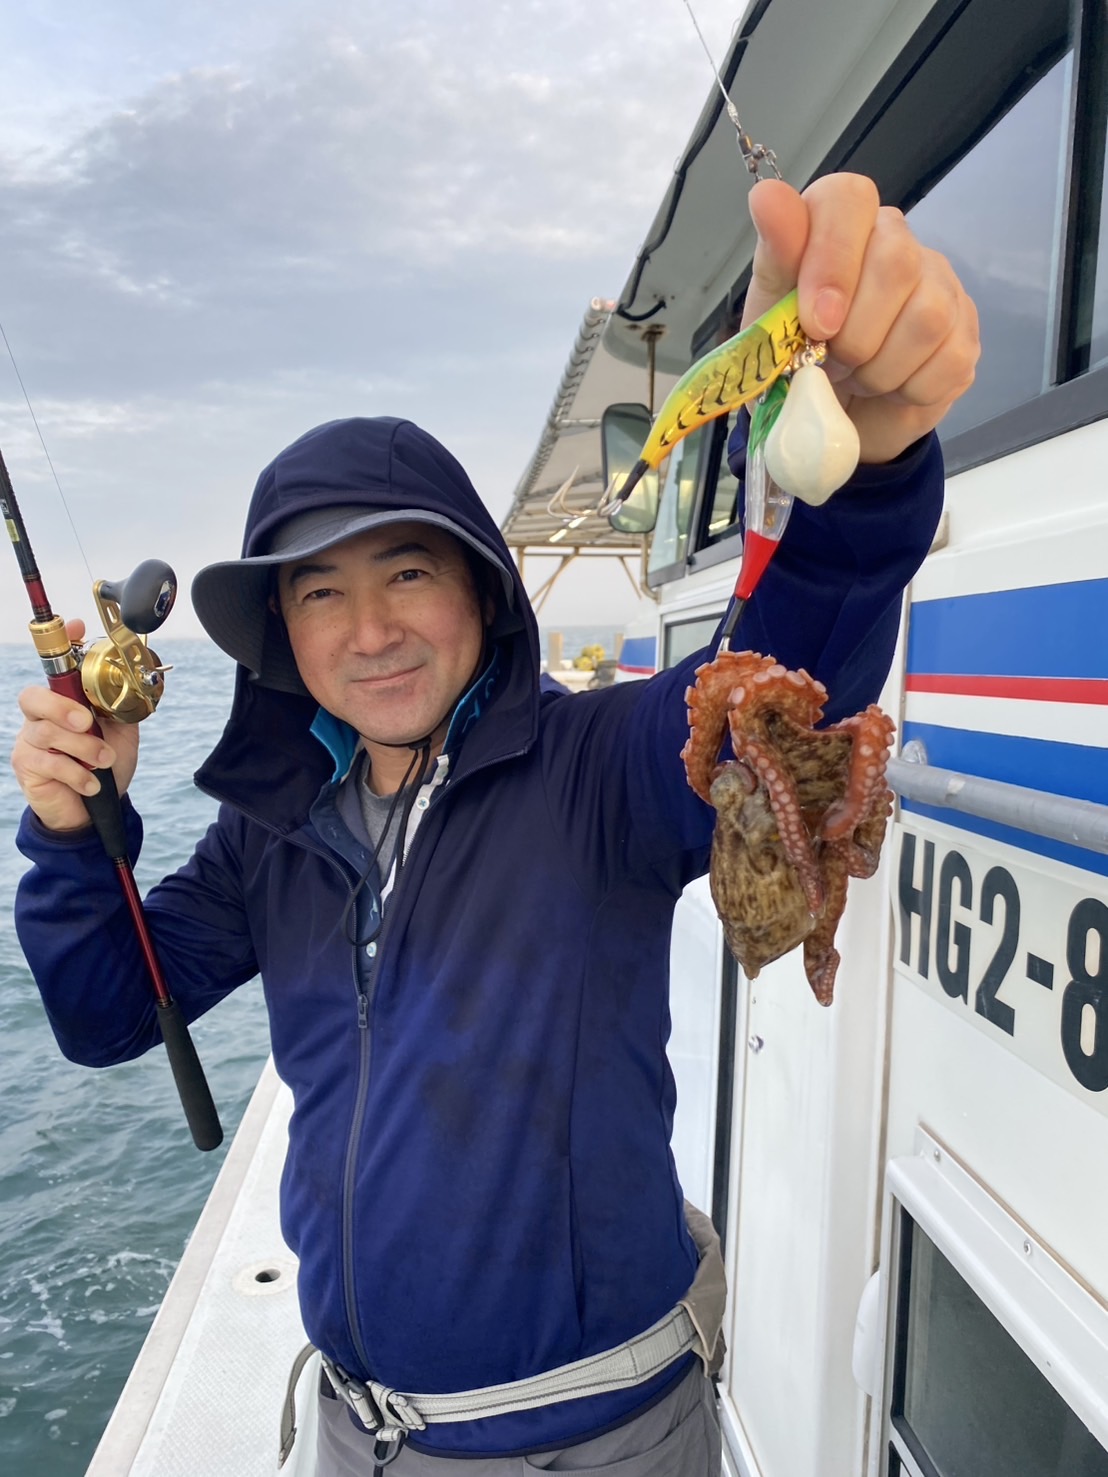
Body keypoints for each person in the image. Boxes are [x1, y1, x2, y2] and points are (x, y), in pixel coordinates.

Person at [11, 175, 978, 1476]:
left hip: (598, 1439)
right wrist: (78, 832)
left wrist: (868, 476)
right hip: (360, 1431)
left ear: (480, 590)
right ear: (282, 632)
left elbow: (778, 684)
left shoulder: (602, 768)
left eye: (408, 571)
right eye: (320, 592)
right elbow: (108, 1010)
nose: (370, 629)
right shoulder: (269, 835)